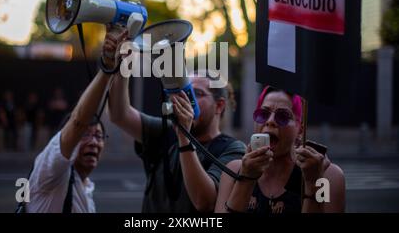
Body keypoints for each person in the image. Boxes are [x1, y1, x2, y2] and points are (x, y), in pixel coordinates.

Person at [107, 32, 246, 213]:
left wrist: (183, 137)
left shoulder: (233, 150)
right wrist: (121, 66)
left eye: (198, 93)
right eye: (185, 91)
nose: (188, 98)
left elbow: (204, 202)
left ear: (219, 106)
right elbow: (119, 114)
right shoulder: (165, 131)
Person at [25, 27, 128, 213]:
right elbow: (77, 122)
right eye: (85, 135)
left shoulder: (86, 189)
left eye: (98, 135)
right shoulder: (51, 172)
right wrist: (107, 65)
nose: (94, 142)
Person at [215, 86, 345, 213]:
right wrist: (246, 179)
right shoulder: (233, 171)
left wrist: (312, 184)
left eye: (282, 116)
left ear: (300, 129)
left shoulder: (326, 175)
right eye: (263, 114)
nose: (270, 121)